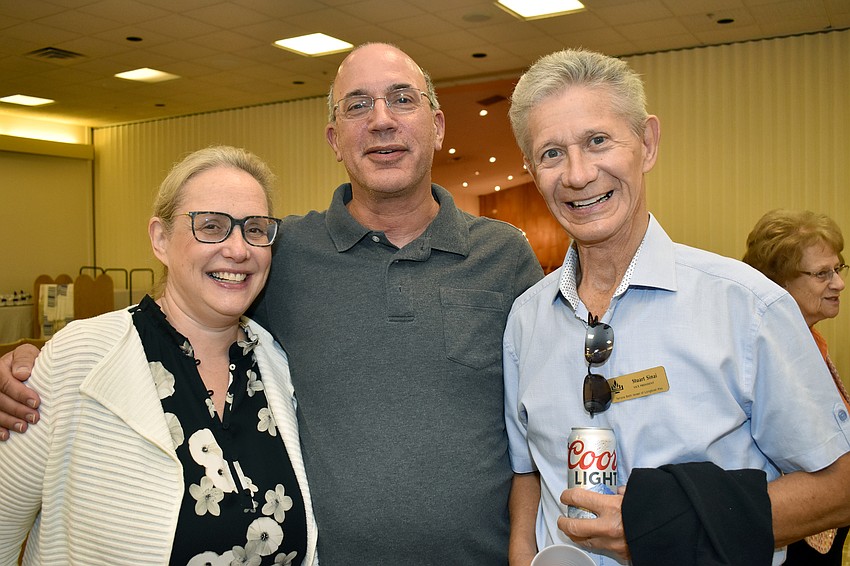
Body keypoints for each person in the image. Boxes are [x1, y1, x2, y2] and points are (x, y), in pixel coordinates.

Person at [0, 44, 544, 565]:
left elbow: (539, 420)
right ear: (334, 138)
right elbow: (161, 328)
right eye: (357, 105)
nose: (382, 120)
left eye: (403, 99)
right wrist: (32, 363)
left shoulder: (504, 256)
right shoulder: (285, 254)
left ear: (438, 125)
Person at [502, 49, 850, 565]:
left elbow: (839, 487)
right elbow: (529, 470)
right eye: (551, 153)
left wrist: (666, 525)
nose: (577, 174)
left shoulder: (747, 306)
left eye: (598, 141)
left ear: (647, 144)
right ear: (532, 170)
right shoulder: (526, 320)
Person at [0, 146, 318, 565]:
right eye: (211, 226)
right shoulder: (77, 359)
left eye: (255, 229)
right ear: (160, 239)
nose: (238, 249)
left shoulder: (279, 364)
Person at [743, 209, 849, 565]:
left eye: (838, 268)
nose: (839, 283)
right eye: (822, 273)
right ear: (779, 282)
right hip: (788, 538)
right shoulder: (767, 352)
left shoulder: (812, 341)